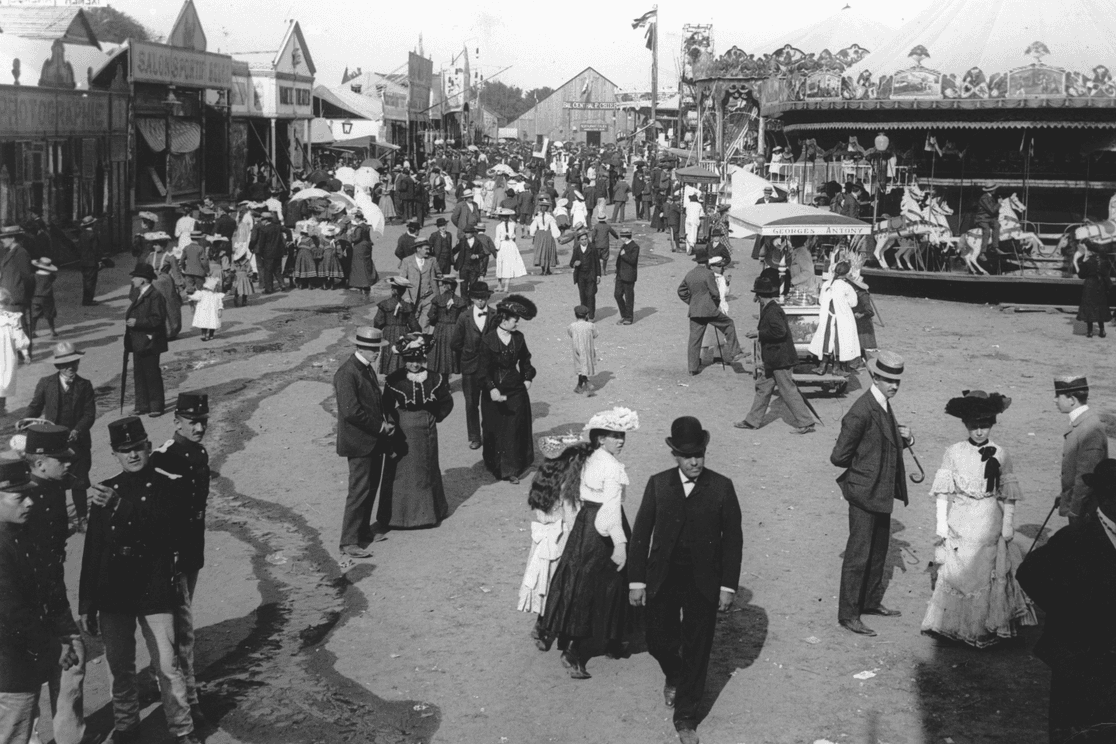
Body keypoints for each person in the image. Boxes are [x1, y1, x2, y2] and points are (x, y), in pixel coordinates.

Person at [78, 417, 200, 744]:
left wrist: (122, 507)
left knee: (167, 665)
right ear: (115, 454)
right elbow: (94, 551)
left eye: (137, 448)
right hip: (115, 593)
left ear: (148, 447)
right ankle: (127, 727)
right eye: (124, 450)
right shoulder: (107, 489)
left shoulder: (167, 486)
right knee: (120, 668)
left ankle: (182, 729)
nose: (132, 456)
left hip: (155, 587)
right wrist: (87, 604)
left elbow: (165, 534)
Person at [628, 415, 743, 744]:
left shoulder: (721, 487)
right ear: (674, 455)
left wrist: (727, 586)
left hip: (703, 580)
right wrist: (637, 580)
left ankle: (687, 717)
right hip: (663, 576)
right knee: (658, 638)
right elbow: (641, 534)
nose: (694, 461)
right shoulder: (658, 484)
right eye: (687, 455)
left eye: (700, 454)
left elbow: (733, 540)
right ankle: (675, 674)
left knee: (698, 645)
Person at [920, 390, 1037, 647]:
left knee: (986, 572)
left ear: (992, 424)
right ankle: (952, 625)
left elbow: (1008, 495)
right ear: (966, 425)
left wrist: (1007, 526)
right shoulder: (953, 452)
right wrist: (941, 527)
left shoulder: (1001, 453)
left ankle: (984, 626)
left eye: (984, 426)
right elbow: (942, 493)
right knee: (959, 572)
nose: (979, 432)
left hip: (988, 521)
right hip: (961, 520)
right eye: (974, 426)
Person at [1017, 458, 1116, 744]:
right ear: (1104, 499)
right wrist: (1069, 612)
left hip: (1109, 656)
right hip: (1076, 652)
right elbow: (1028, 573)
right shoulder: (1076, 538)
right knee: (1073, 728)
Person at [543, 407, 640, 679]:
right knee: (609, 582)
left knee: (579, 580)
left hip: (585, 524)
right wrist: (620, 545)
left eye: (621, 435)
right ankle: (580, 649)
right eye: (614, 436)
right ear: (600, 439)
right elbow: (609, 513)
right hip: (603, 529)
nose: (620, 440)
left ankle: (606, 640)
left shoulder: (591, 459)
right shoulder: (611, 467)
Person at [0, 459, 83, 744]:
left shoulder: (18, 536)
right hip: (10, 668)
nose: (29, 503)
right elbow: (13, 613)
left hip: (22, 661)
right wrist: (52, 646)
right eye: (18, 497)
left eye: (29, 494)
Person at [830, 350, 912, 637]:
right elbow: (839, 456)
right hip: (864, 492)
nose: (894, 386)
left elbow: (887, 438)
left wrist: (906, 438)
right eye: (888, 380)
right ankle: (849, 614)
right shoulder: (861, 411)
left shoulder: (883, 404)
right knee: (859, 555)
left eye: (897, 381)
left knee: (878, 551)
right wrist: (865, 467)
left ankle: (870, 602)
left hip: (881, 491)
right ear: (875, 377)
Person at [22, 425, 86, 744]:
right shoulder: (21, 503)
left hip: (55, 600)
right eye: (62, 459)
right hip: (28, 609)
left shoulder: (54, 490)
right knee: (25, 688)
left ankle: (69, 738)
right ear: (41, 463)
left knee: (72, 665)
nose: (68, 463)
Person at [379, 333, 454, 529]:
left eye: (418, 360)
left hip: (426, 429)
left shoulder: (434, 378)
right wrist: (391, 423)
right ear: (404, 360)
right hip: (402, 428)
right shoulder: (394, 379)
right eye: (410, 360)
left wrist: (434, 416)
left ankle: (428, 515)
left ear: (424, 359)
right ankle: (398, 518)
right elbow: (385, 405)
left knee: (425, 468)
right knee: (402, 470)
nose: (415, 364)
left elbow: (446, 401)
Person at [333, 328, 396, 558]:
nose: (377, 353)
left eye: (378, 349)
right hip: (359, 442)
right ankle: (348, 542)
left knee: (370, 488)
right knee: (358, 490)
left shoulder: (366, 368)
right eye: (373, 349)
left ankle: (362, 531)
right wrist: (380, 427)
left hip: (372, 441)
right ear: (359, 347)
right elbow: (351, 412)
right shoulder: (347, 373)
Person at [519, 443, 586, 650]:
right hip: (560, 539)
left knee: (544, 584)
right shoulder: (568, 483)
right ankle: (551, 631)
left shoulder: (542, 477)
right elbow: (571, 517)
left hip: (542, 540)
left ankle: (540, 625)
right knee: (560, 586)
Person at [736, 273, 817, 434]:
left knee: (787, 390)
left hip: (780, 359)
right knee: (763, 388)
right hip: (773, 359)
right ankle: (752, 421)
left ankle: (806, 422)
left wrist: (759, 334)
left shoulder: (772, 310)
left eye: (757, 296)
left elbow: (779, 332)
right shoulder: (771, 308)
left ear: (759, 296)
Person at [26, 343, 95, 528]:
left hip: (78, 442)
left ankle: (82, 518)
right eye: (65, 365)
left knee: (78, 482)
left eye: (74, 363)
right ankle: (61, 522)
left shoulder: (85, 385)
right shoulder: (46, 383)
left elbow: (89, 414)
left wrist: (77, 430)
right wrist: (26, 421)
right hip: (54, 444)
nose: (70, 368)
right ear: (57, 366)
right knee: (57, 483)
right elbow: (35, 406)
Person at [479, 294, 537, 484]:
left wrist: (527, 378)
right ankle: (494, 463)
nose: (517, 324)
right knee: (495, 427)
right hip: (493, 392)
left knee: (514, 427)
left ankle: (512, 468)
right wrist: (491, 389)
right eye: (515, 321)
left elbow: (526, 361)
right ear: (504, 320)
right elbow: (483, 370)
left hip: (515, 389)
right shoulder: (488, 340)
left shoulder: (519, 338)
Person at [677, 249, 742, 376]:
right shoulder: (708, 274)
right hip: (709, 310)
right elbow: (715, 293)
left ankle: (692, 368)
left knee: (694, 340)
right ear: (707, 261)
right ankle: (736, 352)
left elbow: (681, 291)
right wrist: (715, 305)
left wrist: (692, 302)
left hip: (695, 311)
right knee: (728, 324)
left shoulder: (690, 274)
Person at [1055, 374, 1109, 525]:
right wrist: (1065, 496)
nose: (1055, 400)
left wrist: (1075, 509)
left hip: (1086, 509)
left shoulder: (1089, 428)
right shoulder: (1083, 423)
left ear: (1071, 399)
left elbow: (1086, 476)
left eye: (1058, 396)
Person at [451, 282, 497, 450]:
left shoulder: (495, 315)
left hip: (489, 368)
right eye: (477, 299)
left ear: (488, 298)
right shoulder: (464, 317)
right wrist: (467, 352)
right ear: (471, 299)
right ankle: (475, 436)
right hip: (469, 367)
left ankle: (490, 434)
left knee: (490, 403)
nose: (481, 302)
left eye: (483, 298)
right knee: (471, 404)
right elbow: (455, 342)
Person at [124, 264, 168, 417]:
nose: (132, 279)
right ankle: (142, 405)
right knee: (139, 373)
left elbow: (158, 319)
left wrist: (138, 322)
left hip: (151, 341)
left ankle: (156, 406)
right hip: (138, 340)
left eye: (135, 277)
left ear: (143, 280)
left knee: (151, 373)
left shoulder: (155, 296)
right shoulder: (139, 294)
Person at [808, 261, 861, 376]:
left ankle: (822, 366)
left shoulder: (827, 284)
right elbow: (853, 303)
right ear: (846, 273)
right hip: (842, 319)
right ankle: (836, 368)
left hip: (827, 317)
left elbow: (821, 301)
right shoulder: (847, 287)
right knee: (839, 342)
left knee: (827, 340)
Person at [372, 277, 421, 375]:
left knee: (389, 354)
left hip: (388, 334)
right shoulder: (407, 306)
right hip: (403, 333)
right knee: (401, 355)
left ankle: (390, 376)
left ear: (393, 290)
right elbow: (415, 326)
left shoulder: (385, 304)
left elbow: (378, 322)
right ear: (403, 291)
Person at [427, 273, 467, 376]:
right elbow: (464, 318)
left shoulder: (438, 299)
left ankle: (442, 379)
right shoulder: (460, 300)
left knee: (439, 353)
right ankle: (448, 378)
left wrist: (437, 320)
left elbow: (431, 315)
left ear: (444, 286)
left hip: (440, 328)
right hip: (454, 329)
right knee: (450, 354)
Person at [0, 289, 30, 414]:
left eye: (2, 303)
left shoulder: (12, 319)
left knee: (4, 380)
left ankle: (1, 408)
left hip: (5, 354)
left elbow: (19, 336)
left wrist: (25, 353)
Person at [400, 240, 438, 329]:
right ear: (418, 249)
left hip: (429, 298)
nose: (428, 251)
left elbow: (439, 277)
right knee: (413, 323)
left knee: (425, 323)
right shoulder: (407, 261)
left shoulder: (432, 260)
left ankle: (423, 340)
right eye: (426, 249)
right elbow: (402, 281)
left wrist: (438, 295)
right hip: (412, 300)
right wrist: (406, 297)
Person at [565, 229, 601, 321]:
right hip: (580, 276)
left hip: (591, 275)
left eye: (585, 239)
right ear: (579, 240)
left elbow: (597, 262)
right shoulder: (577, 249)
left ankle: (592, 316)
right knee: (583, 296)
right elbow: (571, 262)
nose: (584, 241)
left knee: (590, 295)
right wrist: (574, 263)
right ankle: (584, 315)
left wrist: (598, 275)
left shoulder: (592, 248)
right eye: (582, 239)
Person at [1076, 245, 1110, 338]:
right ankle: (1102, 330)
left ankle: (1090, 332)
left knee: (1089, 306)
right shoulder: (1105, 262)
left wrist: (1083, 262)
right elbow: (1107, 274)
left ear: (1091, 252)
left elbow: (1081, 275)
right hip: (1101, 285)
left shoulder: (1087, 262)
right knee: (1100, 307)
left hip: (1090, 285)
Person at [495, 209, 528, 292]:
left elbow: (497, 239)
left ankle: (499, 285)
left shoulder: (498, 227)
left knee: (500, 263)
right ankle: (506, 287)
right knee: (509, 265)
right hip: (511, 245)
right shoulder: (513, 224)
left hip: (502, 245)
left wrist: (497, 247)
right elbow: (514, 233)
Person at [347, 212, 378, 301]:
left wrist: (350, 234)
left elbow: (356, 239)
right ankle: (367, 284)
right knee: (367, 264)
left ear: (357, 218)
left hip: (359, 248)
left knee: (359, 266)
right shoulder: (366, 226)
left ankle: (361, 284)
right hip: (366, 247)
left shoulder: (359, 227)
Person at [568, 305, 598, 395]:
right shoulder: (591, 326)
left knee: (580, 367)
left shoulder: (572, 326)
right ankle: (580, 386)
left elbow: (570, 334)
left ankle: (586, 383)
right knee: (584, 366)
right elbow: (595, 335)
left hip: (577, 349)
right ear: (586, 315)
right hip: (588, 348)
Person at [613, 228, 639, 325]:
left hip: (629, 276)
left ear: (625, 237)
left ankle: (629, 317)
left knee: (629, 297)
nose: (621, 238)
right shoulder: (624, 245)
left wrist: (624, 255)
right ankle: (624, 314)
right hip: (620, 275)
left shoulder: (635, 247)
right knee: (617, 294)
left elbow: (633, 261)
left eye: (622, 236)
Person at [529, 199, 561, 275]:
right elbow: (554, 227)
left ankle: (543, 270)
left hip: (539, 235)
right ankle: (548, 269)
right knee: (547, 251)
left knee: (540, 251)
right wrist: (557, 237)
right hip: (548, 234)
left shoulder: (537, 217)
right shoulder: (550, 217)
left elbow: (532, 228)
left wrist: (533, 235)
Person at [29, 257, 58, 340]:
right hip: (47, 297)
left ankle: (33, 331)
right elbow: (53, 278)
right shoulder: (50, 276)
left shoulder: (34, 275)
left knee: (34, 315)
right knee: (50, 314)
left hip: (36, 297)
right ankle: (52, 330)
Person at [188, 276, 223, 342]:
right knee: (208, 324)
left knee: (210, 324)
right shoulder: (203, 293)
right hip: (207, 312)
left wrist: (220, 310)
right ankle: (206, 335)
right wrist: (191, 297)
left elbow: (220, 303)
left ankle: (209, 335)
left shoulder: (215, 295)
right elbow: (195, 297)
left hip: (210, 312)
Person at [76, 216, 100, 306]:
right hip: (91, 261)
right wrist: (99, 261)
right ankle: (88, 300)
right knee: (91, 281)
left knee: (86, 280)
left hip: (83, 260)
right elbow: (95, 249)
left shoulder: (82, 235)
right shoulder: (93, 235)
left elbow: (79, 248)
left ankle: (86, 299)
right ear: (92, 224)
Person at [975, 183, 1001, 257]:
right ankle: (982, 252)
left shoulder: (990, 197)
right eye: (994, 189)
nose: (995, 190)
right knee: (986, 230)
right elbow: (992, 210)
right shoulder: (984, 198)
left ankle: (995, 247)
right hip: (982, 219)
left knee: (997, 225)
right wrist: (999, 204)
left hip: (989, 218)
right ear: (992, 190)